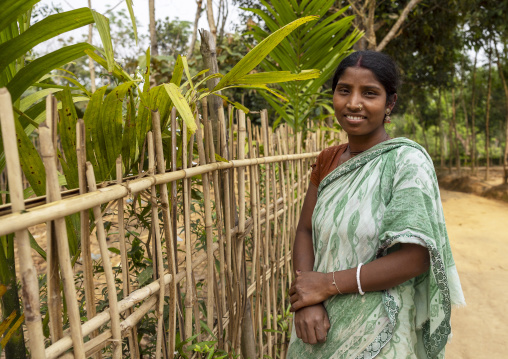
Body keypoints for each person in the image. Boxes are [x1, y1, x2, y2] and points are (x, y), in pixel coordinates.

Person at [286, 51, 465, 359]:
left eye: (369, 93)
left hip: (380, 330)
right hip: (317, 324)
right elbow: (305, 230)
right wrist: (308, 300)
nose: (354, 103)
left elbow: (416, 258)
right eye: (344, 90)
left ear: (389, 103)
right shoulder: (327, 160)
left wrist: (327, 285)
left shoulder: (406, 162)